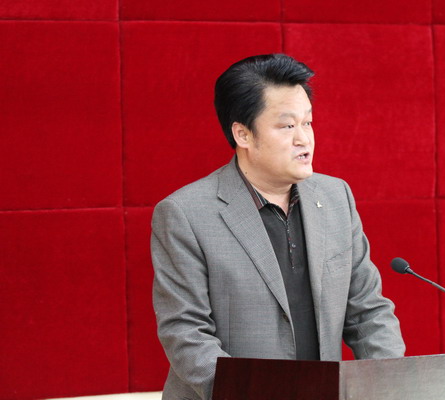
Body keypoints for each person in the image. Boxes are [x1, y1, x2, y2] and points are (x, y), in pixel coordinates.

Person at [151, 53, 405, 400]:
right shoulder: (186, 214)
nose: (304, 139)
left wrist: (389, 385)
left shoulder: (336, 198)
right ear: (243, 134)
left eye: (308, 123)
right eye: (287, 126)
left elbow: (368, 311)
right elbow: (186, 333)